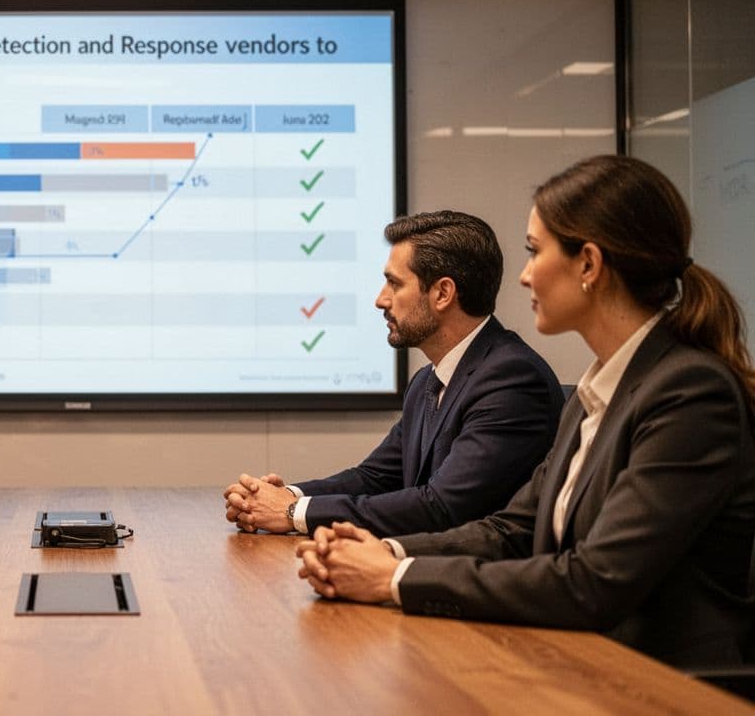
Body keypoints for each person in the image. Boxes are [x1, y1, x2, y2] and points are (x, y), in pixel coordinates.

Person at [298, 155, 755, 667]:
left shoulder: (689, 394)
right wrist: (388, 552)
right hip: (585, 662)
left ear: (589, 265)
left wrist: (394, 578)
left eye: (535, 252)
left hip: (665, 684)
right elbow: (512, 530)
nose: (522, 276)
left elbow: (594, 581)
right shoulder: (596, 393)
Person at [225, 211, 563, 537]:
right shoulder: (427, 381)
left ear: (443, 293)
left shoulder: (511, 380)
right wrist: (286, 496)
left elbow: (442, 508)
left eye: (394, 283)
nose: (380, 300)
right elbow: (374, 477)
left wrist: (291, 513)